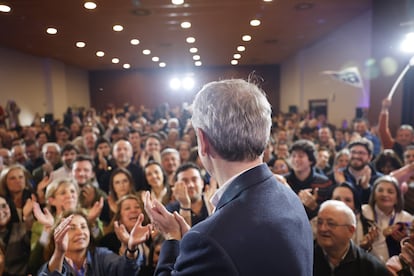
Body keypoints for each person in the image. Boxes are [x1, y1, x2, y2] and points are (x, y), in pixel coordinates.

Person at [144, 79, 313, 275]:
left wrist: (172, 238)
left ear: (203, 141)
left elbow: (225, 245)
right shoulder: (290, 196)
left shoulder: (209, 239)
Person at [38, 209, 151, 275]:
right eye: (72, 228)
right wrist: (59, 252)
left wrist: (131, 248)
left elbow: (125, 271)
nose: (80, 232)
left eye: (83, 226)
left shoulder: (101, 255)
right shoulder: (53, 264)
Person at [314, 200, 389, 275]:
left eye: (331, 224)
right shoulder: (306, 258)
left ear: (350, 230)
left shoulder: (371, 268)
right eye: (319, 223)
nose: (322, 228)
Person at [362, 175, 413, 263]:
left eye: (390, 191)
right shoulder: (363, 213)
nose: (384, 194)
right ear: (374, 195)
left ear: (397, 198)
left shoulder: (407, 219)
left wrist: (402, 242)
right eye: (380, 190)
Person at [0, 195, 34, 276]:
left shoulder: (22, 228)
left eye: (3, 206)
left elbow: (40, 247)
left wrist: (27, 218)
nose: (0, 212)